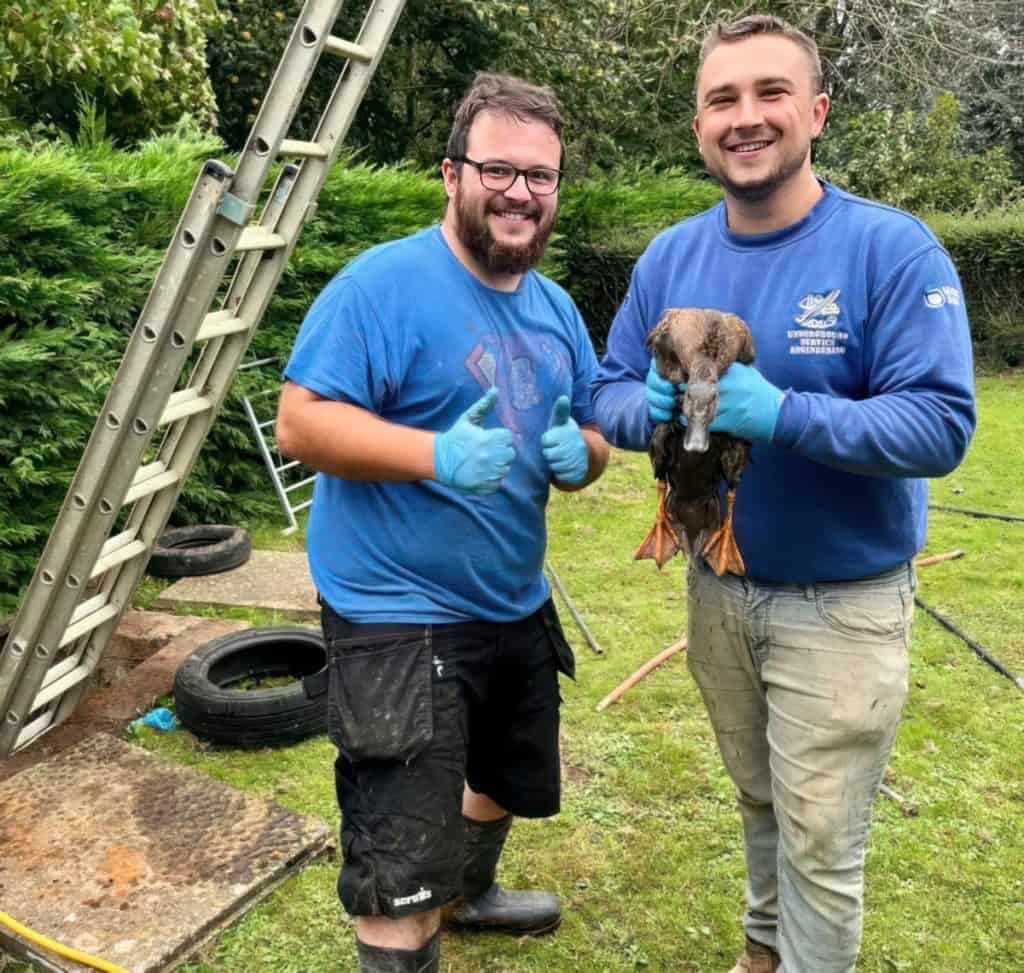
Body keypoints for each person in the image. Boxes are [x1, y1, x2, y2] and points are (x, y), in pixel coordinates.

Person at [592, 15, 975, 973]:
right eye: (723, 99)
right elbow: (599, 387)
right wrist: (635, 409)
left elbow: (939, 426)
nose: (746, 117)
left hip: (840, 604)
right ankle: (763, 952)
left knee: (821, 840)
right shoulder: (668, 258)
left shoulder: (894, 251)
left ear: (816, 111)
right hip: (717, 589)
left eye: (770, 94)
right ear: (698, 126)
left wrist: (785, 413)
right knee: (760, 797)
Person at [276, 73, 609, 973]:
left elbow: (586, 427)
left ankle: (467, 894)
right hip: (397, 609)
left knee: (502, 780)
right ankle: (422, 913)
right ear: (451, 174)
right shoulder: (380, 285)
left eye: (541, 176)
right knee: (398, 867)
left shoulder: (554, 307)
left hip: (511, 598)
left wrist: (590, 455)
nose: (521, 193)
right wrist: (433, 456)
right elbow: (300, 422)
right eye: (499, 168)